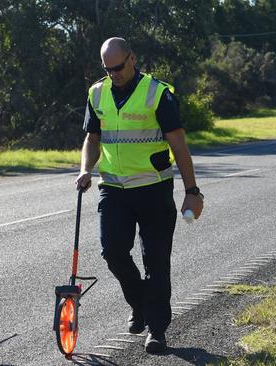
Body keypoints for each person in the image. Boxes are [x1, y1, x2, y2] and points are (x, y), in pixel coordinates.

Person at [75, 38, 204, 354]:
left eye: (118, 67)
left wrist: (192, 191)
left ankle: (157, 330)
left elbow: (178, 144)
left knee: (156, 261)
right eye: (108, 69)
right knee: (113, 252)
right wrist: (85, 169)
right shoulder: (97, 93)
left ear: (132, 58)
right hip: (114, 189)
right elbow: (93, 138)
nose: (113, 74)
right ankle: (140, 303)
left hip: (153, 189)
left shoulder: (157, 93)